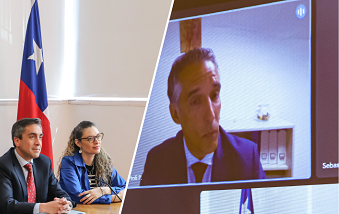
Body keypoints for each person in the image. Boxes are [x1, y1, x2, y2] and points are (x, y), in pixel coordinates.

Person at [140, 48, 266, 186]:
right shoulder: (157, 161)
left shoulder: (247, 157)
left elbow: (263, 207)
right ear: (175, 114)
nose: (211, 116)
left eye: (214, 95)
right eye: (196, 101)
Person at [0, 118, 72, 214]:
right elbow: (6, 205)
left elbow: (60, 193)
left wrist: (65, 203)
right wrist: (44, 208)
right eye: (32, 137)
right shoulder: (2, 166)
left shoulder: (44, 162)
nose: (38, 143)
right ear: (17, 141)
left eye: (40, 137)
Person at [57, 121, 126, 205]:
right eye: (90, 138)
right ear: (78, 143)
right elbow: (79, 196)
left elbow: (124, 187)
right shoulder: (68, 162)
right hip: (78, 212)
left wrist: (103, 190)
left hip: (102, 211)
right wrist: (114, 198)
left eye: (98, 137)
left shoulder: (104, 162)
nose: (97, 141)